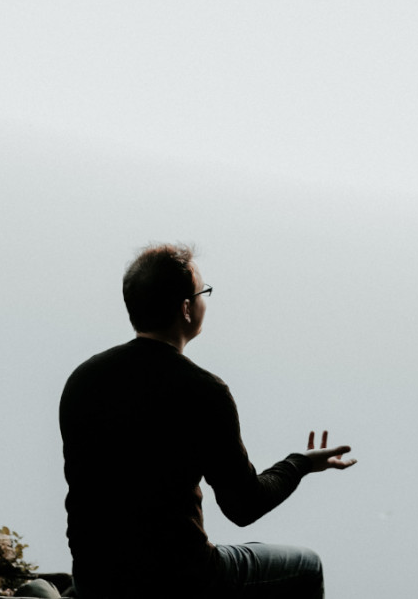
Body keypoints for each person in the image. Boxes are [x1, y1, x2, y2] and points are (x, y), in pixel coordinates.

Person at [60, 243, 356, 599]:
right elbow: (243, 507)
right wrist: (301, 464)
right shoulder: (202, 390)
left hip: (96, 578)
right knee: (307, 565)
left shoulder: (84, 378)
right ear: (186, 308)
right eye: (203, 292)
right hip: (178, 581)